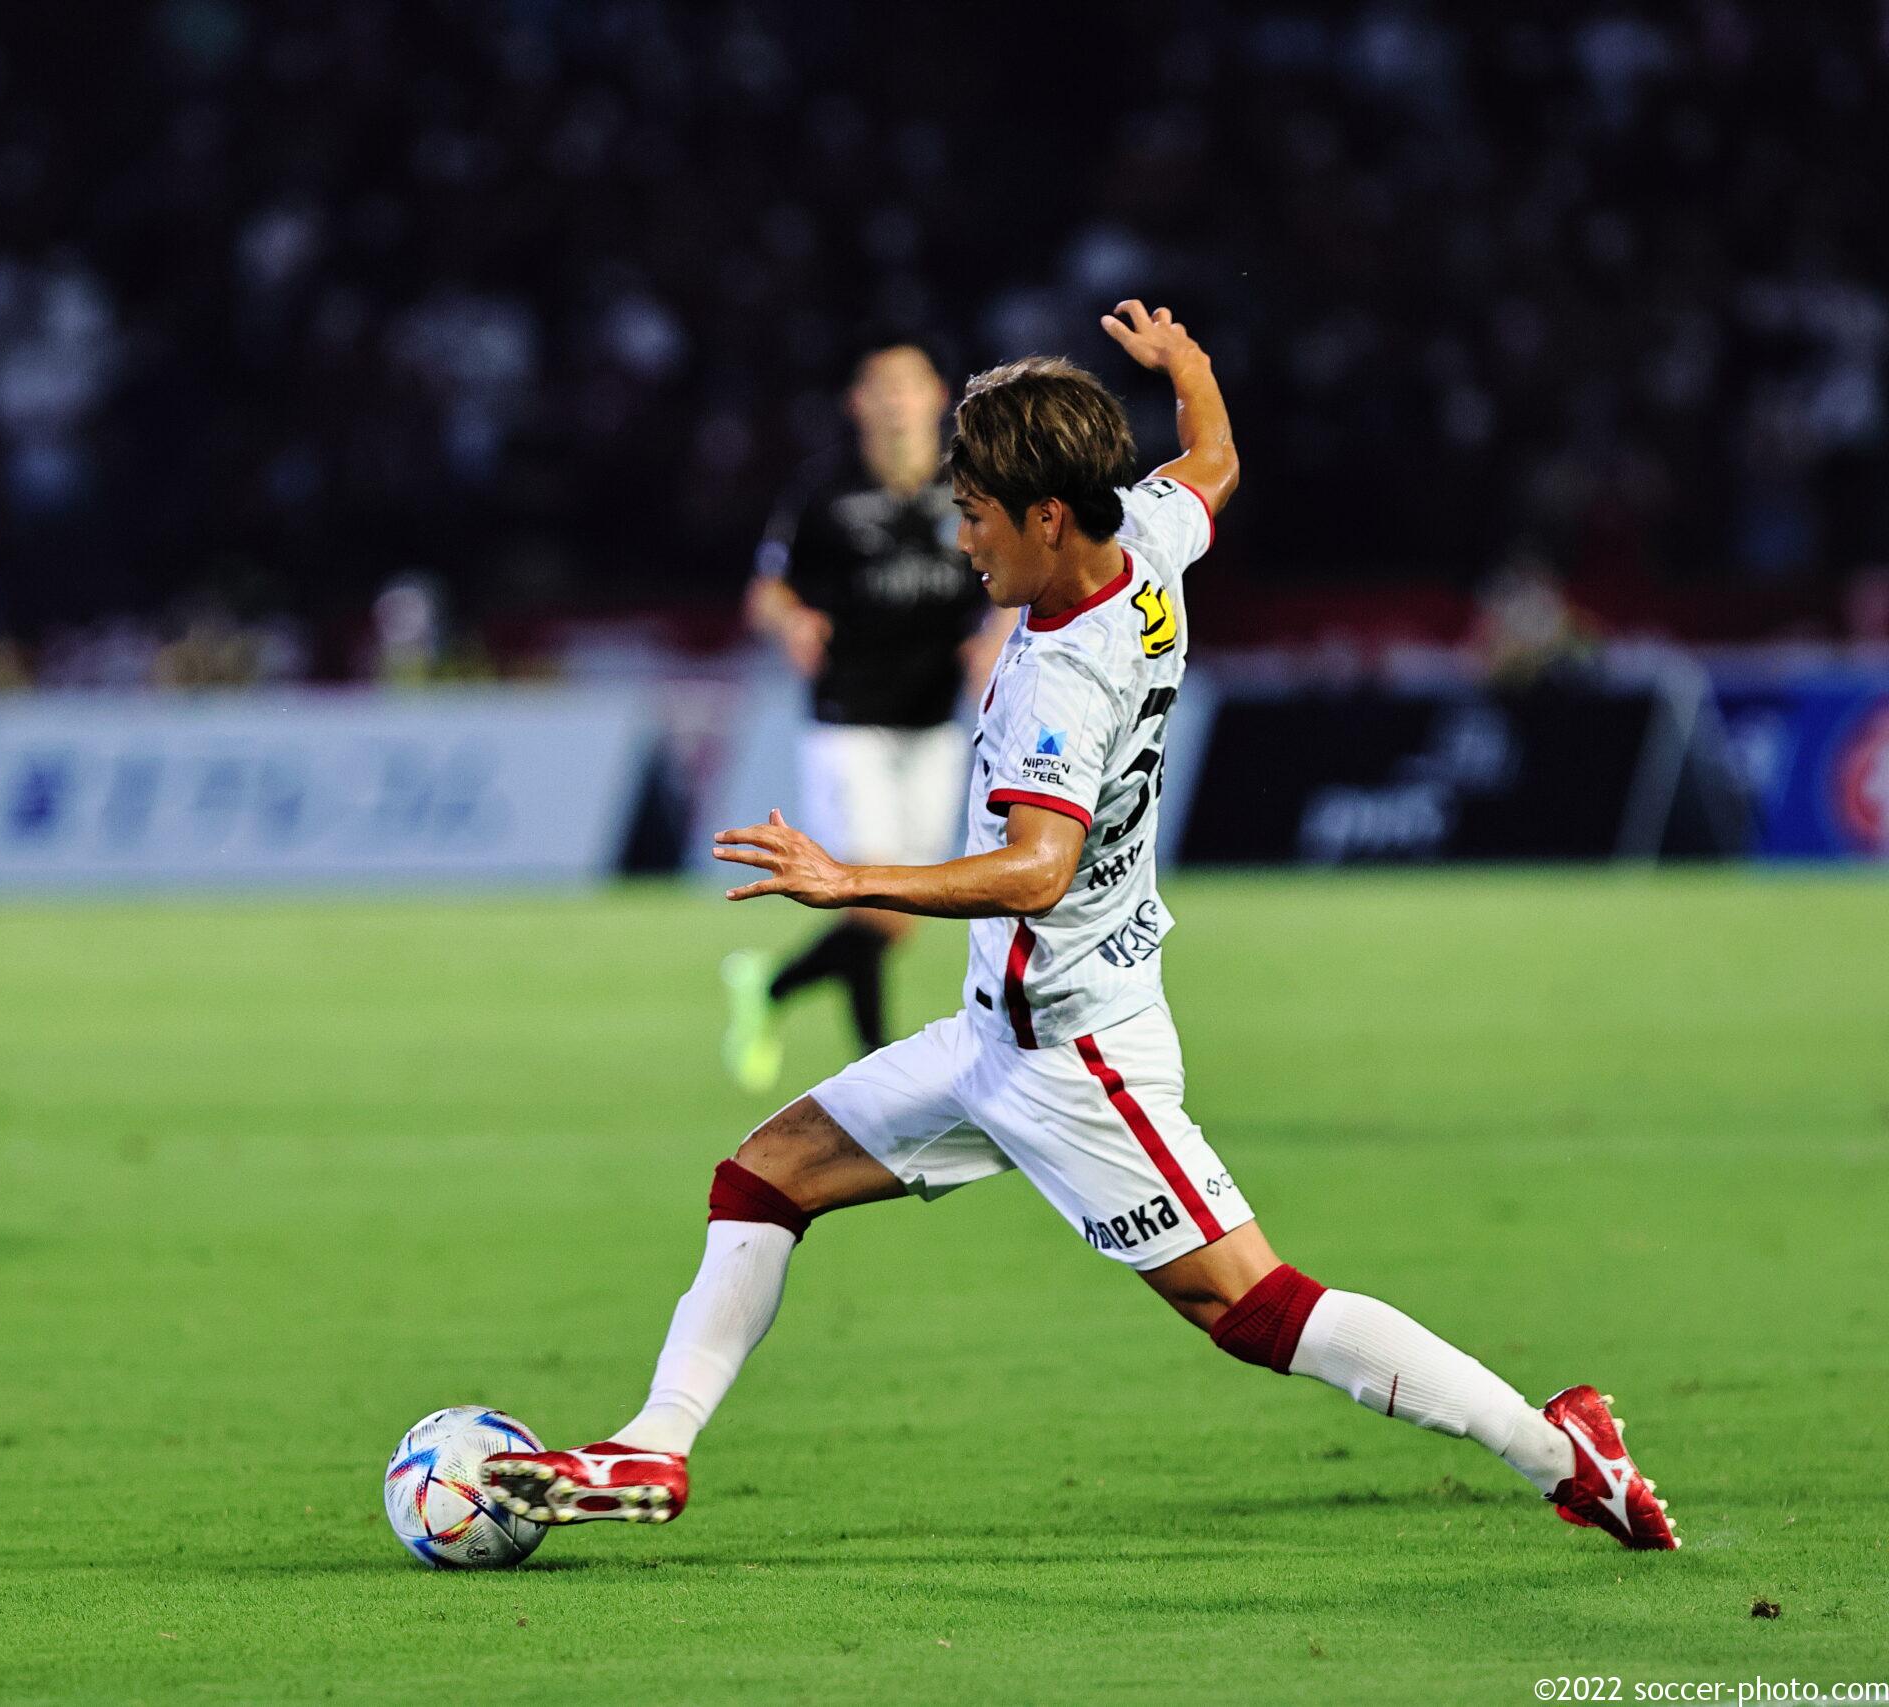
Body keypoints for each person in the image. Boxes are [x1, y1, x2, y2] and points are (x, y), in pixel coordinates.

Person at [485, 302, 1675, 1552]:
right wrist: (1193, 367)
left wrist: (852, 881)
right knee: (764, 1173)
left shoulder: (1066, 671)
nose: (961, 539)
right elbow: (1210, 463)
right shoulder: (1144, 530)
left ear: (1047, 516)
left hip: (1076, 1056)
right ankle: (652, 1450)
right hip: (991, 1034)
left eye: (977, 515)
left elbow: (1039, 866)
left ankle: (1562, 1454)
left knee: (1249, 1307)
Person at [725, 336, 1010, 1090]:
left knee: (896, 910)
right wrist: (791, 623)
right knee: (874, 900)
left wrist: (997, 633)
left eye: (907, 388)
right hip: (849, 715)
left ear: (936, 397)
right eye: (879, 388)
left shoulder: (967, 486)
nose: (894, 403)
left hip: (935, 720)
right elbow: (768, 592)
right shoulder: (823, 491)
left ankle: (772, 989)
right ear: (857, 404)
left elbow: (1011, 578)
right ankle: (879, 1070)